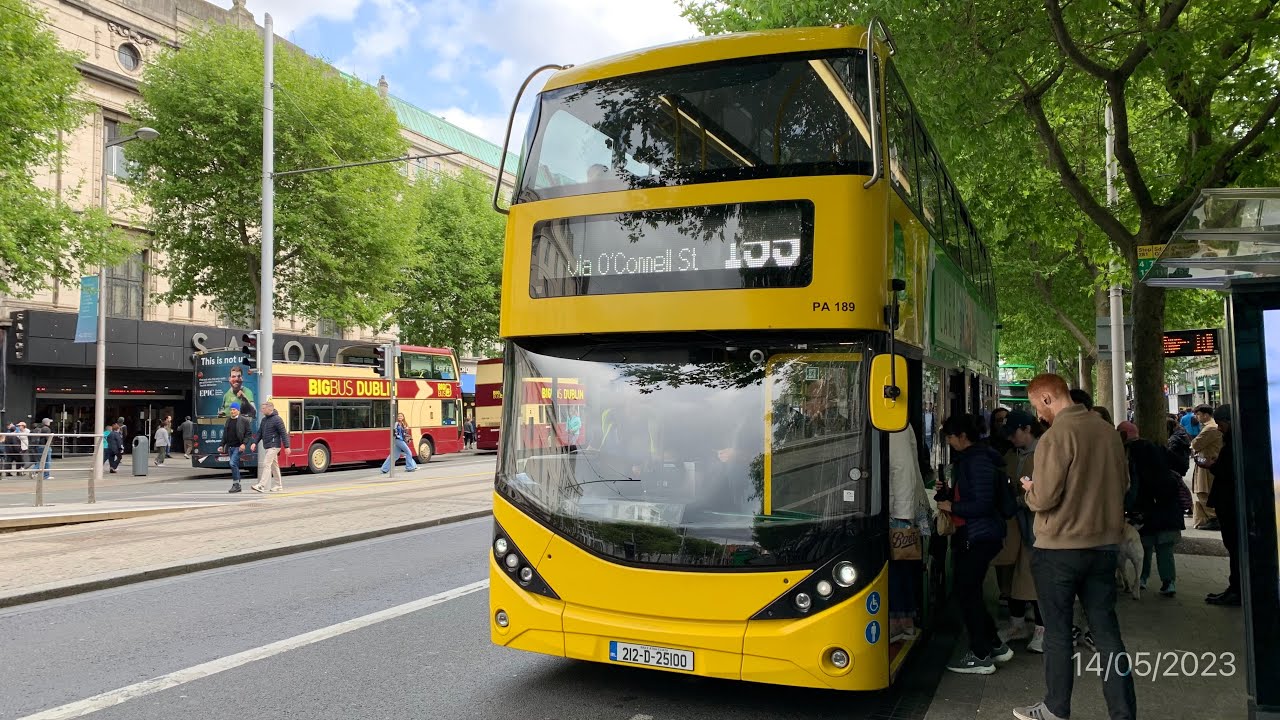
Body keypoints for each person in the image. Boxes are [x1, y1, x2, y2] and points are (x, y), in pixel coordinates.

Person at [1015, 373, 1135, 720]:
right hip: (1104, 547)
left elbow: (1045, 497)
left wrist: (1029, 489)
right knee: (1108, 634)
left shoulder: (1056, 437)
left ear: (1049, 399)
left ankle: (1056, 709)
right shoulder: (1108, 433)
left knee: (1057, 633)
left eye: (1038, 406)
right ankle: (1123, 713)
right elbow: (1123, 484)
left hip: (1059, 551)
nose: (1039, 415)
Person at [937, 413, 1014, 675]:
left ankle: (981, 655)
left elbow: (982, 503)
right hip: (979, 534)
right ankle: (994, 645)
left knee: (967, 593)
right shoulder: (974, 458)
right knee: (970, 593)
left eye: (950, 436)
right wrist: (948, 493)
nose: (948, 441)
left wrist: (952, 505)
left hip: (978, 535)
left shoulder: (977, 461)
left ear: (962, 436)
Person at [1118, 421, 1183, 596]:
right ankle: (1168, 582)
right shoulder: (1158, 447)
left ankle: (1142, 579)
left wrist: (1128, 505)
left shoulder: (1130, 454)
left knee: (1144, 544)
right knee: (1164, 546)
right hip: (1167, 503)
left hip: (1144, 505)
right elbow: (1181, 465)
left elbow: (1132, 483)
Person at [999, 410, 1045, 653]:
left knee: (1033, 578)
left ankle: (1041, 630)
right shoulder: (1013, 454)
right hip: (1017, 526)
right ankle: (1018, 625)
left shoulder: (1044, 453)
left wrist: (1019, 499)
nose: (1010, 438)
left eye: (1013, 433)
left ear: (1027, 429)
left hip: (1037, 526)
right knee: (1015, 576)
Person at [887, 421, 932, 642]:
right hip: (898, 508)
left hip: (898, 511)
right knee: (901, 565)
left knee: (898, 565)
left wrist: (903, 518)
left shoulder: (895, 424)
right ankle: (904, 622)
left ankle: (900, 624)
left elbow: (901, 468)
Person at [1204, 404, 1241, 606]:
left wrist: (1213, 465)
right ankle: (1234, 587)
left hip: (1230, 503)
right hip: (1229, 503)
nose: (1219, 428)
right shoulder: (1235, 442)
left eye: (1221, 424)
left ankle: (1236, 589)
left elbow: (1227, 470)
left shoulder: (1234, 445)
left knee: (1235, 547)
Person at [1189, 404, 1222, 529]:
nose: (1196, 417)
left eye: (1198, 414)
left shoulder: (1210, 428)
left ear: (1206, 415)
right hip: (1205, 462)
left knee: (1203, 491)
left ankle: (1213, 517)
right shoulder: (1210, 427)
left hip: (1206, 464)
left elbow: (1195, 444)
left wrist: (1193, 446)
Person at [251, 401, 289, 493]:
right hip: (268, 446)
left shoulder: (277, 419)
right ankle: (278, 485)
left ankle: (261, 485)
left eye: (263, 408)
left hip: (274, 446)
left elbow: (283, 433)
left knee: (266, 464)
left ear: (269, 409)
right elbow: (259, 432)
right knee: (274, 466)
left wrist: (287, 446)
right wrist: (254, 443)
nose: (261, 410)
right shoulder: (264, 420)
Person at [219, 403, 251, 493]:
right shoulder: (228, 420)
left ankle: (236, 484)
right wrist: (221, 445)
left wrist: (244, 444)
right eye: (231, 410)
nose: (232, 411)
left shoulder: (244, 420)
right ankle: (237, 485)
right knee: (234, 465)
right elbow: (225, 435)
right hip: (230, 447)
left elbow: (248, 433)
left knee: (232, 463)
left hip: (238, 447)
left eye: (234, 409)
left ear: (238, 411)